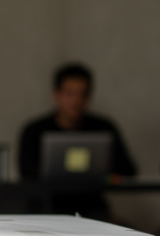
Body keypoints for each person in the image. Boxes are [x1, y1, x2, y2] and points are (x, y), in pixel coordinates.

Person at [18, 63, 137, 218]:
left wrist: (103, 173)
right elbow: (27, 173)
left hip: (93, 210)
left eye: (83, 94)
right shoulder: (35, 131)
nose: (76, 101)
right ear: (57, 94)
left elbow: (128, 170)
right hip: (46, 210)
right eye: (70, 94)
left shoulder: (103, 128)